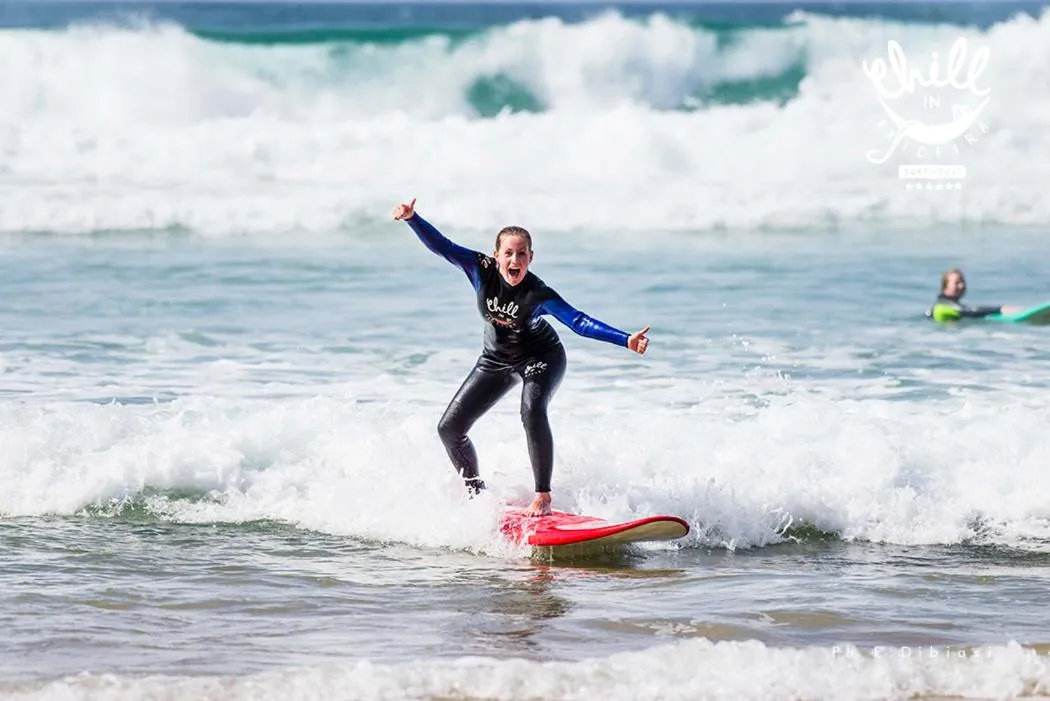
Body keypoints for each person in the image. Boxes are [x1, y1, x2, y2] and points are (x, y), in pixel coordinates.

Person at [392, 198, 650, 517]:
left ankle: (543, 497)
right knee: (449, 429)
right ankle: (477, 495)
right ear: (496, 255)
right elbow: (442, 246)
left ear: (531, 257)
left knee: (531, 410)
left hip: (541, 358)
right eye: (508, 253)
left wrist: (625, 339)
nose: (515, 260)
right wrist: (412, 219)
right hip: (495, 360)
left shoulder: (537, 292)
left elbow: (578, 321)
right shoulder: (479, 269)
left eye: (522, 254)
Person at [927, 268, 1019, 321]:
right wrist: (1000, 309)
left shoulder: (940, 304)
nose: (962, 286)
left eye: (962, 282)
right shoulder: (944, 305)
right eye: (957, 283)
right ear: (945, 288)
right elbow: (971, 311)